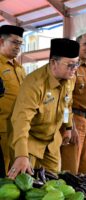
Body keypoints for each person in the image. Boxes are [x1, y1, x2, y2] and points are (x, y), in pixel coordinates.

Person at [8, 38, 79, 179]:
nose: (74, 69)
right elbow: (21, 120)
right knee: (26, 186)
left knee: (52, 185)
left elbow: (67, 105)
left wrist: (68, 127)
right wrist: (21, 154)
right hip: (29, 142)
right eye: (70, 65)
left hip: (52, 143)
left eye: (77, 64)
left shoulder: (70, 78)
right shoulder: (34, 84)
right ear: (53, 62)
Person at [61, 32, 86, 174]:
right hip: (75, 120)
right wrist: (70, 127)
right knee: (71, 167)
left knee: (85, 166)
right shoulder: (72, 66)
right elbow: (65, 100)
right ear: (78, 46)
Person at [0, 25, 26, 176]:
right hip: (2, 128)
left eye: (20, 44)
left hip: (18, 129)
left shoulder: (20, 68)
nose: (18, 47)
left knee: (16, 172)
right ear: (1, 41)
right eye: (14, 42)